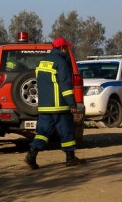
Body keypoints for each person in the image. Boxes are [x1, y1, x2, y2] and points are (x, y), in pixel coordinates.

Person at [25, 37, 84, 169]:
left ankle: (32, 153)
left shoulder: (42, 62)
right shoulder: (61, 63)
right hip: (59, 106)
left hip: (45, 107)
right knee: (67, 131)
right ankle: (70, 158)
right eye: (67, 48)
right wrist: (72, 104)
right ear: (62, 48)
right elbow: (65, 85)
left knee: (43, 132)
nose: (68, 50)